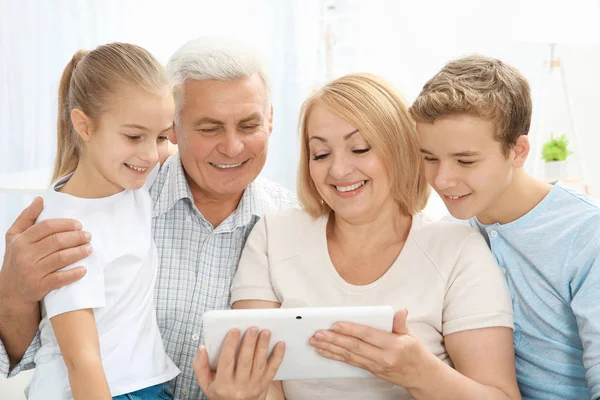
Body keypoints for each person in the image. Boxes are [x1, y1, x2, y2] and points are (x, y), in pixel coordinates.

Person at [0, 37, 295, 400]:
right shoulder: (110, 201)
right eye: (209, 128)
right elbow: (44, 356)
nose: (232, 147)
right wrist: (13, 292)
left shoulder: (292, 223)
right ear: (176, 127)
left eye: (249, 126)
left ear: (271, 120)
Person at [227, 73, 521, 400]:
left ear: (399, 148)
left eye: (360, 148)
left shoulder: (457, 251)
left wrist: (421, 374)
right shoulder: (273, 236)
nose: (338, 171)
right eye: (320, 154)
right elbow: (261, 383)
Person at [410, 55, 600, 400]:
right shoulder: (449, 232)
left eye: (465, 161)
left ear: (518, 151)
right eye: (429, 158)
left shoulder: (588, 235)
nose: (442, 179)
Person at [26, 42, 180, 400]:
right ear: (84, 125)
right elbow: (81, 359)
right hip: (99, 390)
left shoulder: (129, 184)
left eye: (160, 136)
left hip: (139, 384)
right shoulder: (67, 230)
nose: (151, 154)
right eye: (134, 136)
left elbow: (175, 149)